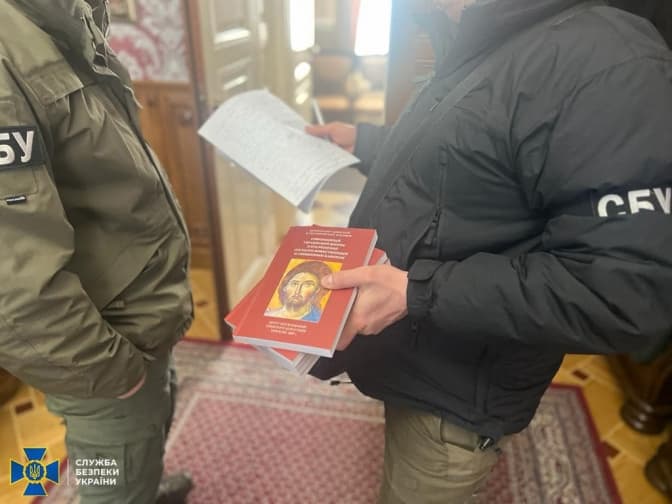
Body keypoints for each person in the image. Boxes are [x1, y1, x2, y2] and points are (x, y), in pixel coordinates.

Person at [307, 0, 672, 502]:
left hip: (454, 395)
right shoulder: (479, 33)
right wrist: (364, 143)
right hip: (412, 355)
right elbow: (467, 151)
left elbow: (625, 290)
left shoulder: (609, 61)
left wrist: (416, 292)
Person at [0, 1, 195, 502]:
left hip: (140, 315)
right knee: (111, 481)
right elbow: (13, 290)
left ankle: (144, 480)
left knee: (144, 440)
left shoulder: (61, 15)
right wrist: (108, 373)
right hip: (102, 348)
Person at [265, 261, 333, 322]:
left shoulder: (318, 319)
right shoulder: (268, 314)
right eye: (294, 283)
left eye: (307, 285)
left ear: (316, 290)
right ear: (285, 287)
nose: (297, 290)